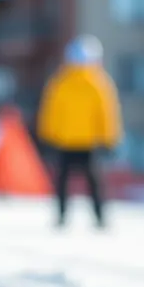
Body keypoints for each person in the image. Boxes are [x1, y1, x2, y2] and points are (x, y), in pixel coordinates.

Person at [35, 34, 121, 228]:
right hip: (89, 141)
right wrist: (109, 138)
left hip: (65, 141)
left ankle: (62, 216)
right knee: (94, 183)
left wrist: (48, 136)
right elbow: (107, 113)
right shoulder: (99, 83)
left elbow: (50, 112)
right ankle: (99, 218)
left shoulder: (60, 82)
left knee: (63, 181)